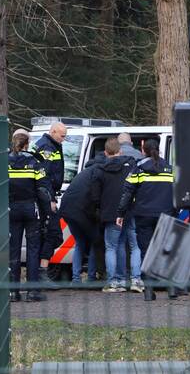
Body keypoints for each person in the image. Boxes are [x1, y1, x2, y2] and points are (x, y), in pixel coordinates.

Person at [117, 138, 174, 299]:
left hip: (144, 216)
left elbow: (127, 192)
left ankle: (148, 291)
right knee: (166, 250)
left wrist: (120, 214)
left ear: (143, 150)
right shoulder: (170, 169)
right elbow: (178, 192)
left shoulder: (139, 168)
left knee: (146, 252)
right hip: (166, 215)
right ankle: (171, 288)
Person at [91, 137, 142, 293]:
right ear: (120, 151)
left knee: (112, 247)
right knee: (133, 246)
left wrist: (100, 209)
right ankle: (135, 280)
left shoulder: (99, 169)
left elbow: (94, 195)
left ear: (105, 152)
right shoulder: (131, 165)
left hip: (110, 213)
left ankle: (114, 282)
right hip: (129, 211)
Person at [9, 132, 51, 302]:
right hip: (31, 209)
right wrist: (47, 211)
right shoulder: (35, 162)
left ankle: (13, 291)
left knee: (14, 249)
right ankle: (33, 291)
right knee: (33, 249)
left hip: (11, 208)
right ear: (27, 144)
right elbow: (42, 189)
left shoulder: (5, 161)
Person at [58, 151, 105, 285]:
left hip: (67, 211)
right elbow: (96, 197)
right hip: (81, 212)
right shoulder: (99, 172)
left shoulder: (85, 172)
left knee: (80, 243)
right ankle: (91, 278)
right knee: (95, 242)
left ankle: (76, 279)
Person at [31, 122, 66, 284]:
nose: (64, 139)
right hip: (44, 197)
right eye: (62, 135)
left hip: (46, 195)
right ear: (53, 131)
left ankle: (38, 272)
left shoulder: (51, 145)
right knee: (52, 234)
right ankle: (41, 272)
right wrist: (49, 200)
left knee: (47, 235)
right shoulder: (46, 147)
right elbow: (42, 177)